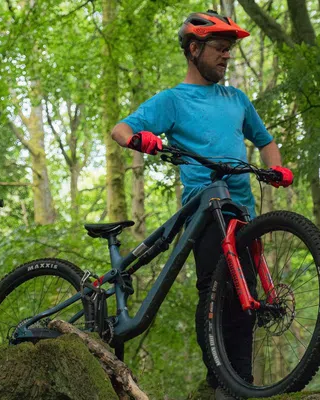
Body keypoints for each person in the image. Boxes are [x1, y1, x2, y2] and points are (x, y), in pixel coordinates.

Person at [108, 10, 294, 399]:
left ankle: (241, 383)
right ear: (194, 49)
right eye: (220, 49)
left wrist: (275, 170)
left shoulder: (237, 99)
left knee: (247, 300)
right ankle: (221, 381)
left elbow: (266, 142)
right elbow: (120, 129)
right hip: (204, 210)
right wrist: (141, 140)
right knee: (215, 289)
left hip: (243, 214)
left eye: (230, 49)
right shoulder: (173, 100)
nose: (227, 56)